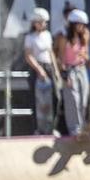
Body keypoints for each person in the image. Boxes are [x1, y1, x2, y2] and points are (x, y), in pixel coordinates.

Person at [21, 8, 59, 137]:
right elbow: (28, 56)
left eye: (44, 22)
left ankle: (51, 127)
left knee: (55, 97)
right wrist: (39, 69)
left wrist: (56, 71)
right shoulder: (29, 37)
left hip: (49, 68)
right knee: (37, 100)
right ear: (35, 22)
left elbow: (51, 53)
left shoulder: (47, 35)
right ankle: (37, 129)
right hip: (36, 69)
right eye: (41, 22)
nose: (44, 24)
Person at [59, 11, 90, 137]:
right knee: (73, 100)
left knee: (83, 100)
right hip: (70, 70)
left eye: (83, 25)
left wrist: (85, 56)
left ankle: (82, 127)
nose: (82, 27)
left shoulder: (85, 35)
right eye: (79, 25)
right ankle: (74, 129)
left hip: (81, 69)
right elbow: (61, 58)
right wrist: (64, 74)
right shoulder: (64, 37)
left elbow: (87, 54)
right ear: (73, 24)